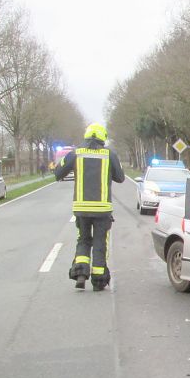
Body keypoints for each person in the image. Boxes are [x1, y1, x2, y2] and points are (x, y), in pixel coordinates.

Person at [55, 123, 125, 291]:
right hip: (102, 210)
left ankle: (80, 272)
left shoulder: (76, 153)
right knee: (101, 242)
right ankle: (99, 280)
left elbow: (58, 173)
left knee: (83, 239)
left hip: (81, 209)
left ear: (86, 136)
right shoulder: (110, 155)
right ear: (103, 138)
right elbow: (120, 177)